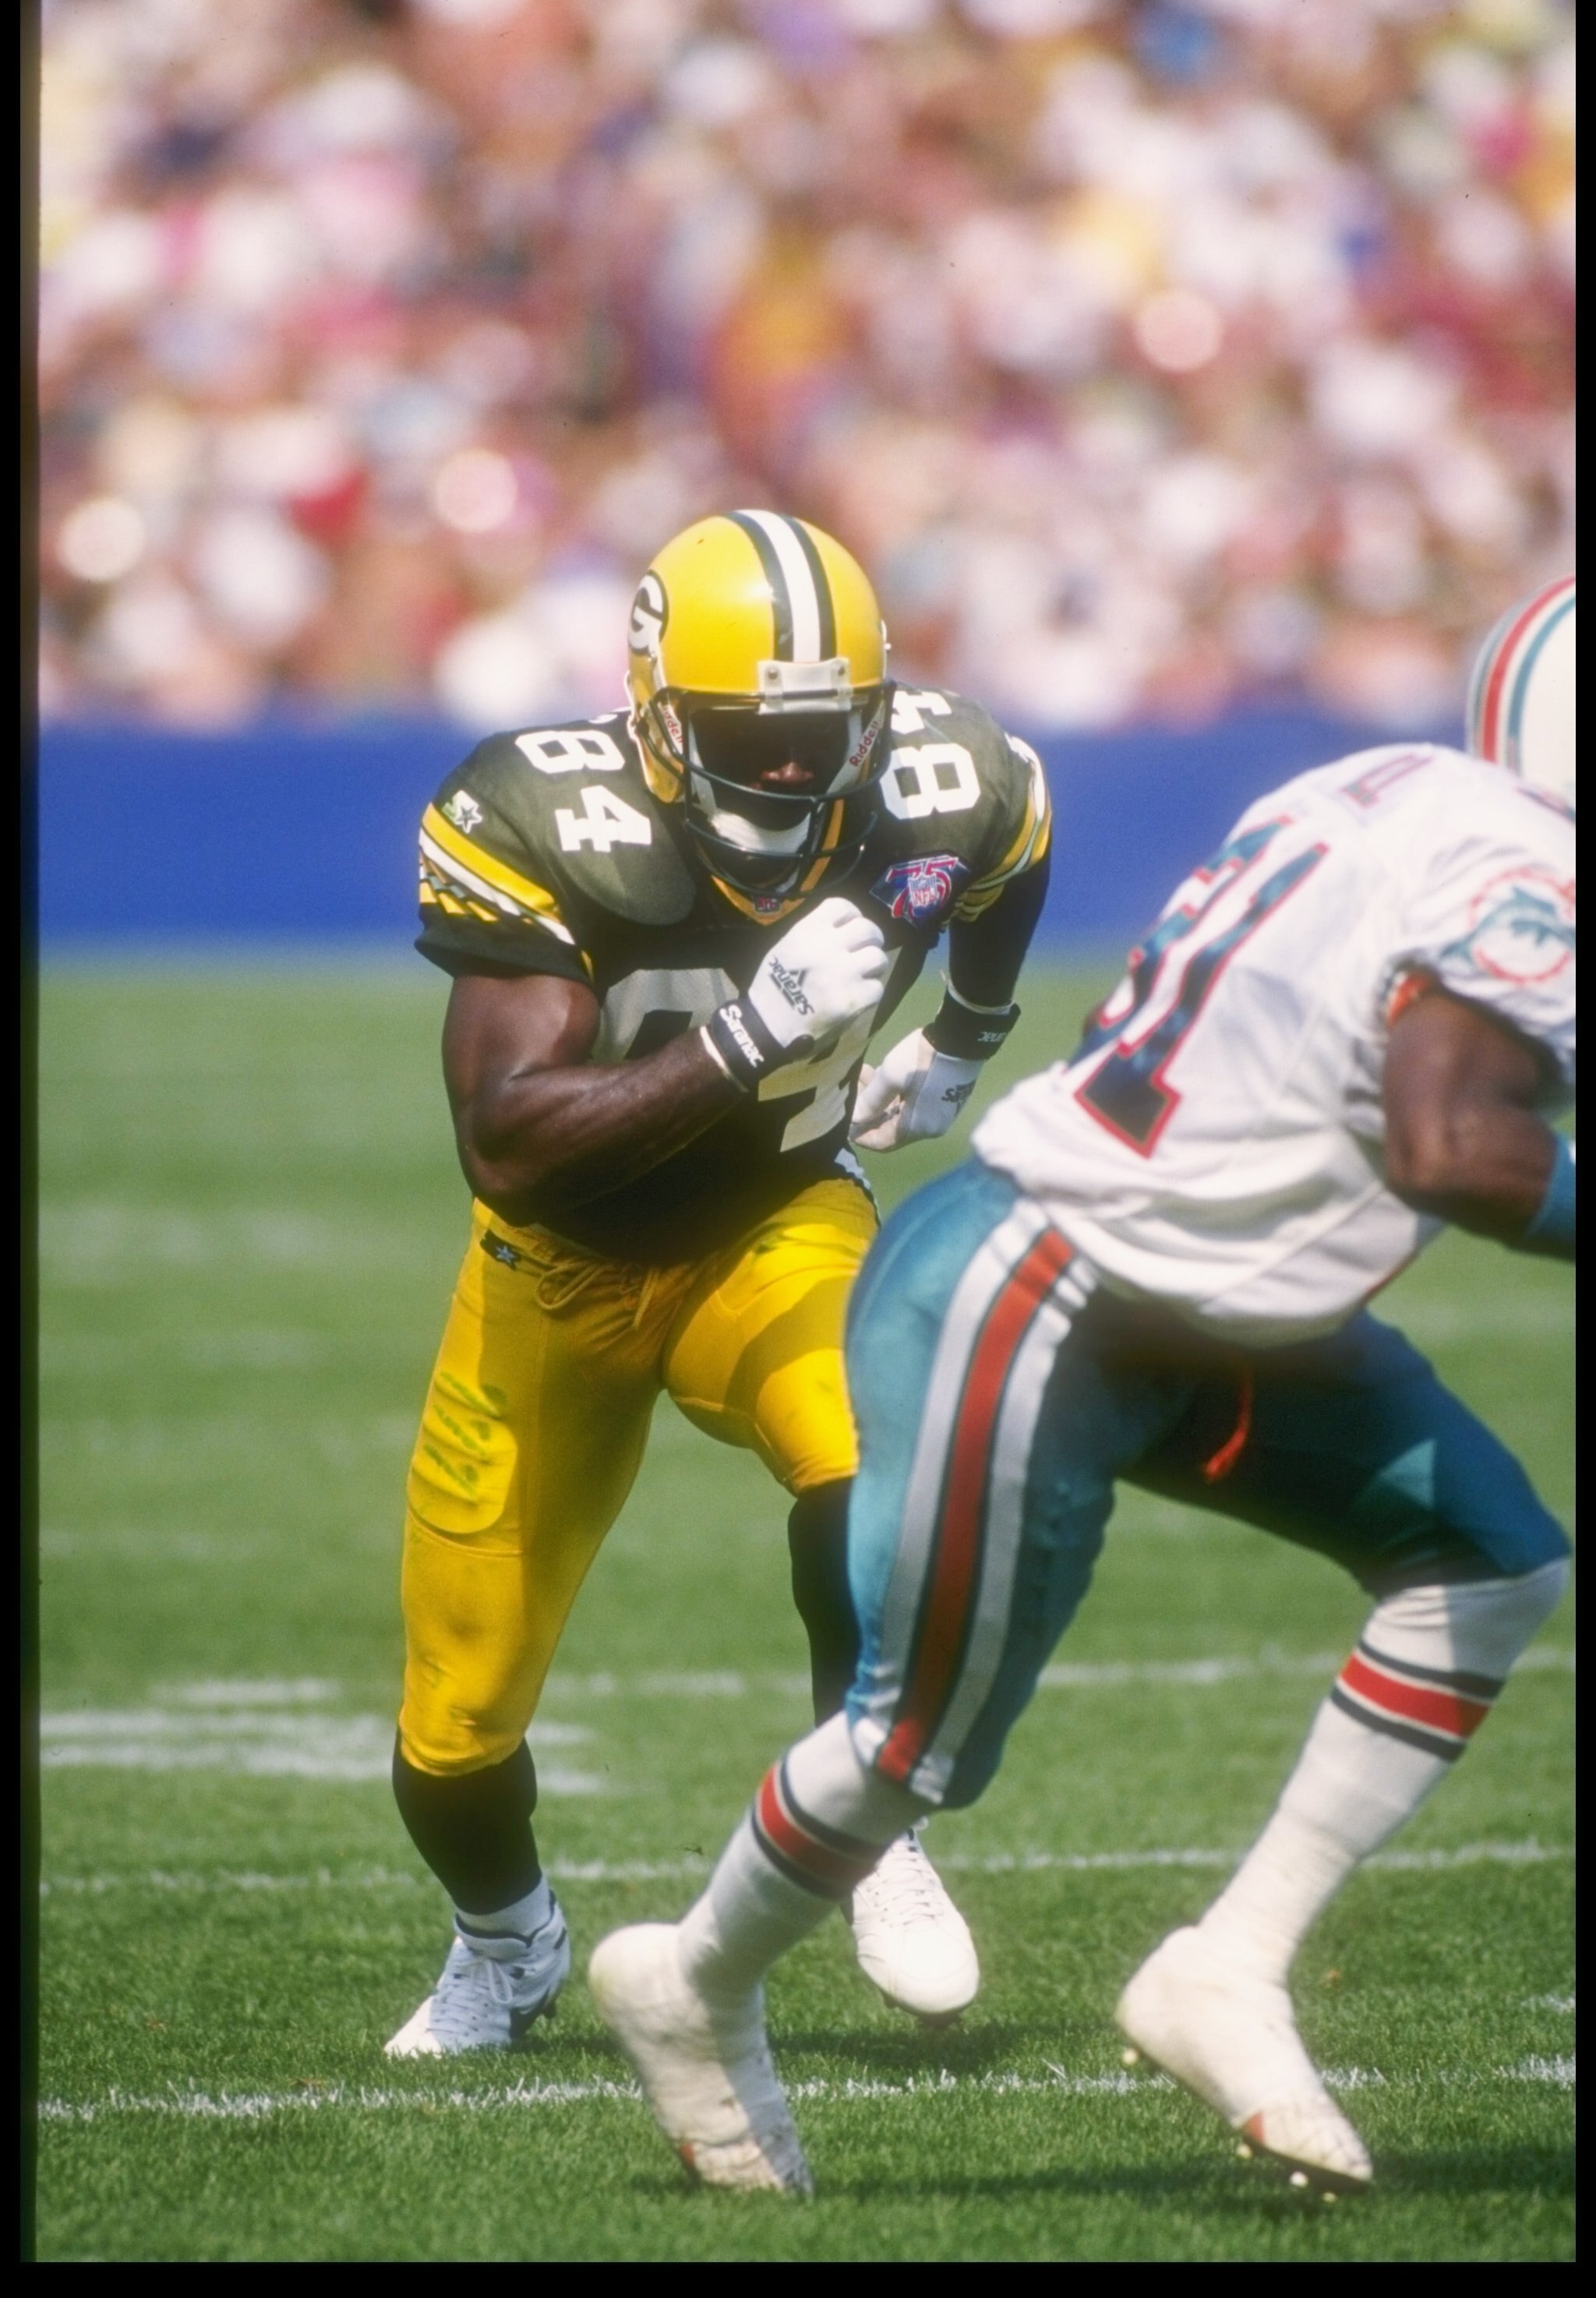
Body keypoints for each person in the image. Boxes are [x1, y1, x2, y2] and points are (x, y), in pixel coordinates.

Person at [590, 624, 1574, 2194]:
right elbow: (1452, 1142)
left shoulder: (1397, 788)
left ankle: (1228, 1968)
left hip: (1221, 1292)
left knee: (1489, 1559)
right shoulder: (1523, 861)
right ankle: (689, 1982)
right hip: (1054, 1284)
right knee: (913, 1747)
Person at [384, 510, 1054, 2054]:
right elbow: (507, 1143)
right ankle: (507, 1942)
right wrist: (747, 1039)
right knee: (453, 1729)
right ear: (658, 714)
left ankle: (869, 1816)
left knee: (875, 1462)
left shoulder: (940, 776)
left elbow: (1014, 836)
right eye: (750, 737)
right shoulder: (541, 813)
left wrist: (969, 1032)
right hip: (556, 1271)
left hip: (776, 1222)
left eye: (827, 732)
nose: (791, 769)